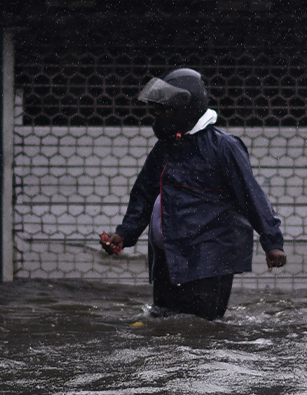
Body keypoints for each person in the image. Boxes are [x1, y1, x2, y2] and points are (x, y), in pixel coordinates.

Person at [101, 69, 287, 321]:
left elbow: (251, 196)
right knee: (165, 322)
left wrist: (272, 242)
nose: (158, 115)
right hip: (170, 257)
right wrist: (125, 234)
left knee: (202, 326)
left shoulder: (223, 147)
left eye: (166, 110)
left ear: (186, 109)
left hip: (209, 258)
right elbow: (144, 194)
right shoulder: (165, 147)